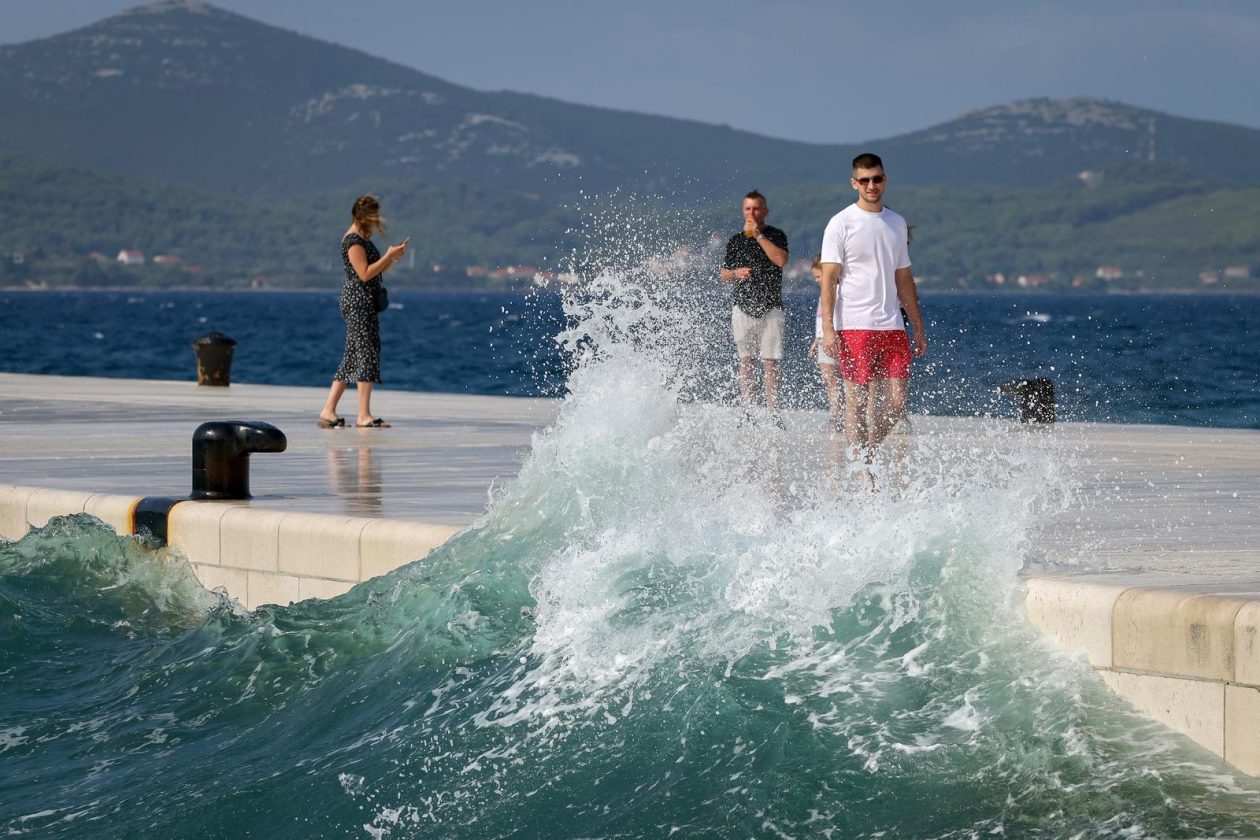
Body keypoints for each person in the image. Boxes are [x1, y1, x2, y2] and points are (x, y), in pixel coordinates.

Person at [818, 153, 927, 475]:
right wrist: (827, 329)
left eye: (876, 179)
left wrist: (917, 328)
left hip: (892, 326)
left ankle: (865, 454)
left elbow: (904, 279)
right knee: (858, 403)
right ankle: (863, 468)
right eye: (864, 180)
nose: (871, 185)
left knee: (896, 404)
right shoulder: (841, 223)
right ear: (854, 183)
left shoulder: (895, 222)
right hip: (853, 325)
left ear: (885, 180)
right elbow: (828, 279)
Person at [319, 195, 407, 429]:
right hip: (358, 302)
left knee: (352, 356)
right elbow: (364, 274)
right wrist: (387, 256)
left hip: (364, 301)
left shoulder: (361, 239)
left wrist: (391, 258)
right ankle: (363, 414)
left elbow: (374, 272)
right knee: (366, 352)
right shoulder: (353, 241)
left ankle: (328, 410)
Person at [719, 190, 789, 418]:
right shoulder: (736, 241)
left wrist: (758, 235)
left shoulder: (776, 235)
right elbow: (724, 275)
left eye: (756, 208)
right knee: (746, 361)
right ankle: (748, 411)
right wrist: (736, 273)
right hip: (743, 308)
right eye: (748, 209)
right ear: (743, 211)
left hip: (771, 308)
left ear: (765, 211)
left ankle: (773, 412)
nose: (751, 213)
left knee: (770, 364)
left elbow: (781, 261)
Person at [806, 254, 843, 431]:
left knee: (836, 379)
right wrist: (816, 340)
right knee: (829, 379)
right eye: (815, 278)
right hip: (822, 342)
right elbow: (822, 320)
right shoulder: (823, 294)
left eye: (819, 276)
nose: (817, 281)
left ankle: (839, 416)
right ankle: (836, 414)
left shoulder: (837, 291)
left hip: (836, 341)